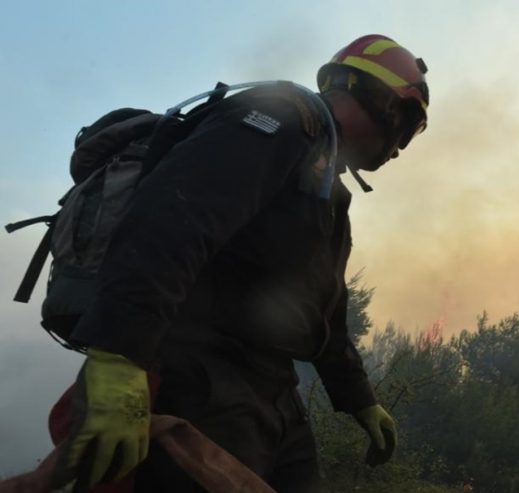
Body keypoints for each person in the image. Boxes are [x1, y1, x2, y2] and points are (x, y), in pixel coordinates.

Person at [53, 34, 430, 492]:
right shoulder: (282, 118)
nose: (400, 150)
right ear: (385, 103)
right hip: (200, 377)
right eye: (409, 128)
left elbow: (323, 309)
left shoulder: (326, 188)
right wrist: (119, 355)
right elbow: (171, 219)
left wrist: (358, 398)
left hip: (271, 391)